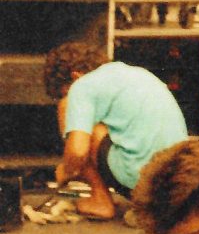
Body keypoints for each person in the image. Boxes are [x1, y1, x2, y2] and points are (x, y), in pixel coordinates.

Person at [44, 41, 188, 220]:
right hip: (175, 183)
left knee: (71, 115)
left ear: (75, 76)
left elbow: (78, 151)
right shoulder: (135, 73)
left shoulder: (82, 85)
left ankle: (101, 201)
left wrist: (67, 170)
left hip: (144, 182)